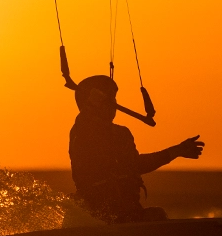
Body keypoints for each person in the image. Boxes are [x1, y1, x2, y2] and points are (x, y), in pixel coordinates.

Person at [69, 75, 204, 223]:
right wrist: (89, 106)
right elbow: (85, 123)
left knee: (157, 215)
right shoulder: (82, 130)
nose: (113, 104)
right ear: (90, 103)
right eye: (108, 100)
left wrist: (176, 151)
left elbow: (135, 164)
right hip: (97, 216)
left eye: (114, 99)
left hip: (128, 214)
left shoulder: (121, 133)